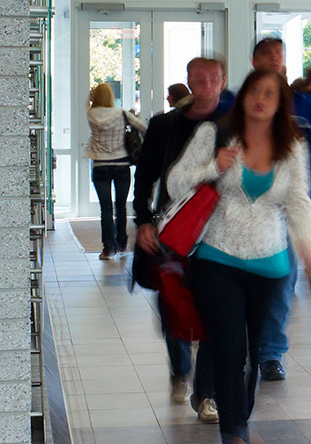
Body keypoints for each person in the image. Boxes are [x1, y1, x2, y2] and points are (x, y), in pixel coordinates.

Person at [165, 67, 311, 444]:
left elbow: (300, 202)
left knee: (254, 354)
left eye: (270, 93)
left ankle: (239, 421)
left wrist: (310, 255)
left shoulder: (292, 147)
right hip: (218, 258)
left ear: (280, 102)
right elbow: (175, 183)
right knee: (229, 349)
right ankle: (235, 437)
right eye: (255, 90)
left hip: (270, 263)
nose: (261, 99)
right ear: (245, 95)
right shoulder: (214, 135)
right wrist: (212, 166)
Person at [134, 57, 234, 419]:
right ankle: (180, 369)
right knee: (173, 301)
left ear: (223, 82)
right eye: (199, 78)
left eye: (213, 78)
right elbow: (144, 177)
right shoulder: (164, 126)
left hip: (217, 230)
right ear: (189, 82)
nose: (206, 84)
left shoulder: (232, 125)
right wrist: (143, 221)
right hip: (173, 229)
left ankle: (206, 393)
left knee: (214, 307)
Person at [250, 37, 311, 382]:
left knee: (282, 283)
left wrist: (303, 201)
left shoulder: (305, 107)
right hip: (247, 213)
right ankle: (247, 345)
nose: (274, 60)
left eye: (279, 56)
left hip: (286, 214)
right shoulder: (243, 106)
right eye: (267, 55)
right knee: (248, 283)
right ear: (255, 62)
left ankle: (271, 352)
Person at [85, 82, 144, 261]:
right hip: (121, 165)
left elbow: (87, 104)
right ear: (111, 97)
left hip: (100, 165)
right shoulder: (121, 113)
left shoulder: (90, 114)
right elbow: (143, 128)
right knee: (120, 206)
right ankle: (122, 244)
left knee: (105, 209)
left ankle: (108, 249)